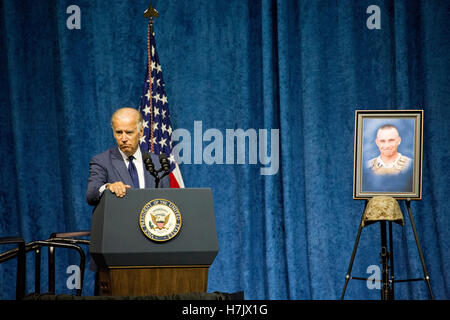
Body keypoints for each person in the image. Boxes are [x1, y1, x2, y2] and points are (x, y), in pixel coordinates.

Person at [86, 107, 169, 206]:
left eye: (129, 132)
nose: (124, 138)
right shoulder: (102, 161)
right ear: (113, 133)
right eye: (119, 132)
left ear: (141, 132)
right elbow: (91, 195)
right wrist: (107, 188)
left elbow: (166, 200)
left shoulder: (157, 162)